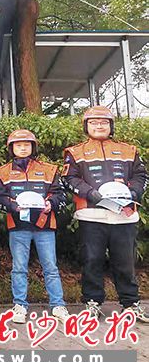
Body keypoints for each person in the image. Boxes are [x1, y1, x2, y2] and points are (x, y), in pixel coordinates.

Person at [62, 106, 148, 321]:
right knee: (92, 260)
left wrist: (133, 192)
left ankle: (130, 304)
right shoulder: (75, 152)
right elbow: (70, 179)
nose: (99, 126)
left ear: (111, 126)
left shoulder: (129, 150)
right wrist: (90, 193)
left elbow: (141, 176)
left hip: (124, 215)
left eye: (104, 122)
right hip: (92, 215)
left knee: (125, 261)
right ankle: (92, 303)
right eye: (93, 122)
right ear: (86, 126)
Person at [0, 129, 69, 324]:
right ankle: (19, 305)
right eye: (18, 145)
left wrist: (51, 203)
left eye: (27, 144)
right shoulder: (2, 172)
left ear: (33, 147)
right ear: (11, 148)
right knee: (19, 267)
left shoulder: (49, 169)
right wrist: (13, 206)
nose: (23, 148)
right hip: (18, 227)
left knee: (50, 267)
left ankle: (58, 305)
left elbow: (60, 194)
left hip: (45, 225)